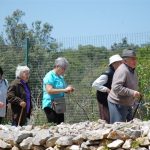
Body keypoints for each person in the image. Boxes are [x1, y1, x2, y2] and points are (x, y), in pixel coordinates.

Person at [108, 49, 141, 124]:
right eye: (132, 59)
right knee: (118, 128)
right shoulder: (122, 70)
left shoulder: (132, 70)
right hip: (117, 103)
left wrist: (134, 99)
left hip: (127, 104)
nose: (135, 61)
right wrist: (132, 92)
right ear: (125, 61)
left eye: (135, 59)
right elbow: (116, 87)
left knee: (129, 127)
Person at [42, 57, 74, 124]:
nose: (64, 71)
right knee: (53, 125)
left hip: (59, 104)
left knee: (61, 124)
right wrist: (64, 89)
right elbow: (49, 90)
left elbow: (63, 89)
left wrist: (68, 89)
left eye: (65, 69)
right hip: (51, 105)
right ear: (57, 66)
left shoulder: (60, 77)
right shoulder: (49, 76)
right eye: (63, 68)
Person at [92, 54, 122, 123]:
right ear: (114, 64)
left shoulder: (116, 73)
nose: (121, 64)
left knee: (113, 119)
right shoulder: (107, 74)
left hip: (111, 100)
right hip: (103, 100)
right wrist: (106, 89)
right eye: (119, 62)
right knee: (106, 120)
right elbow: (95, 84)